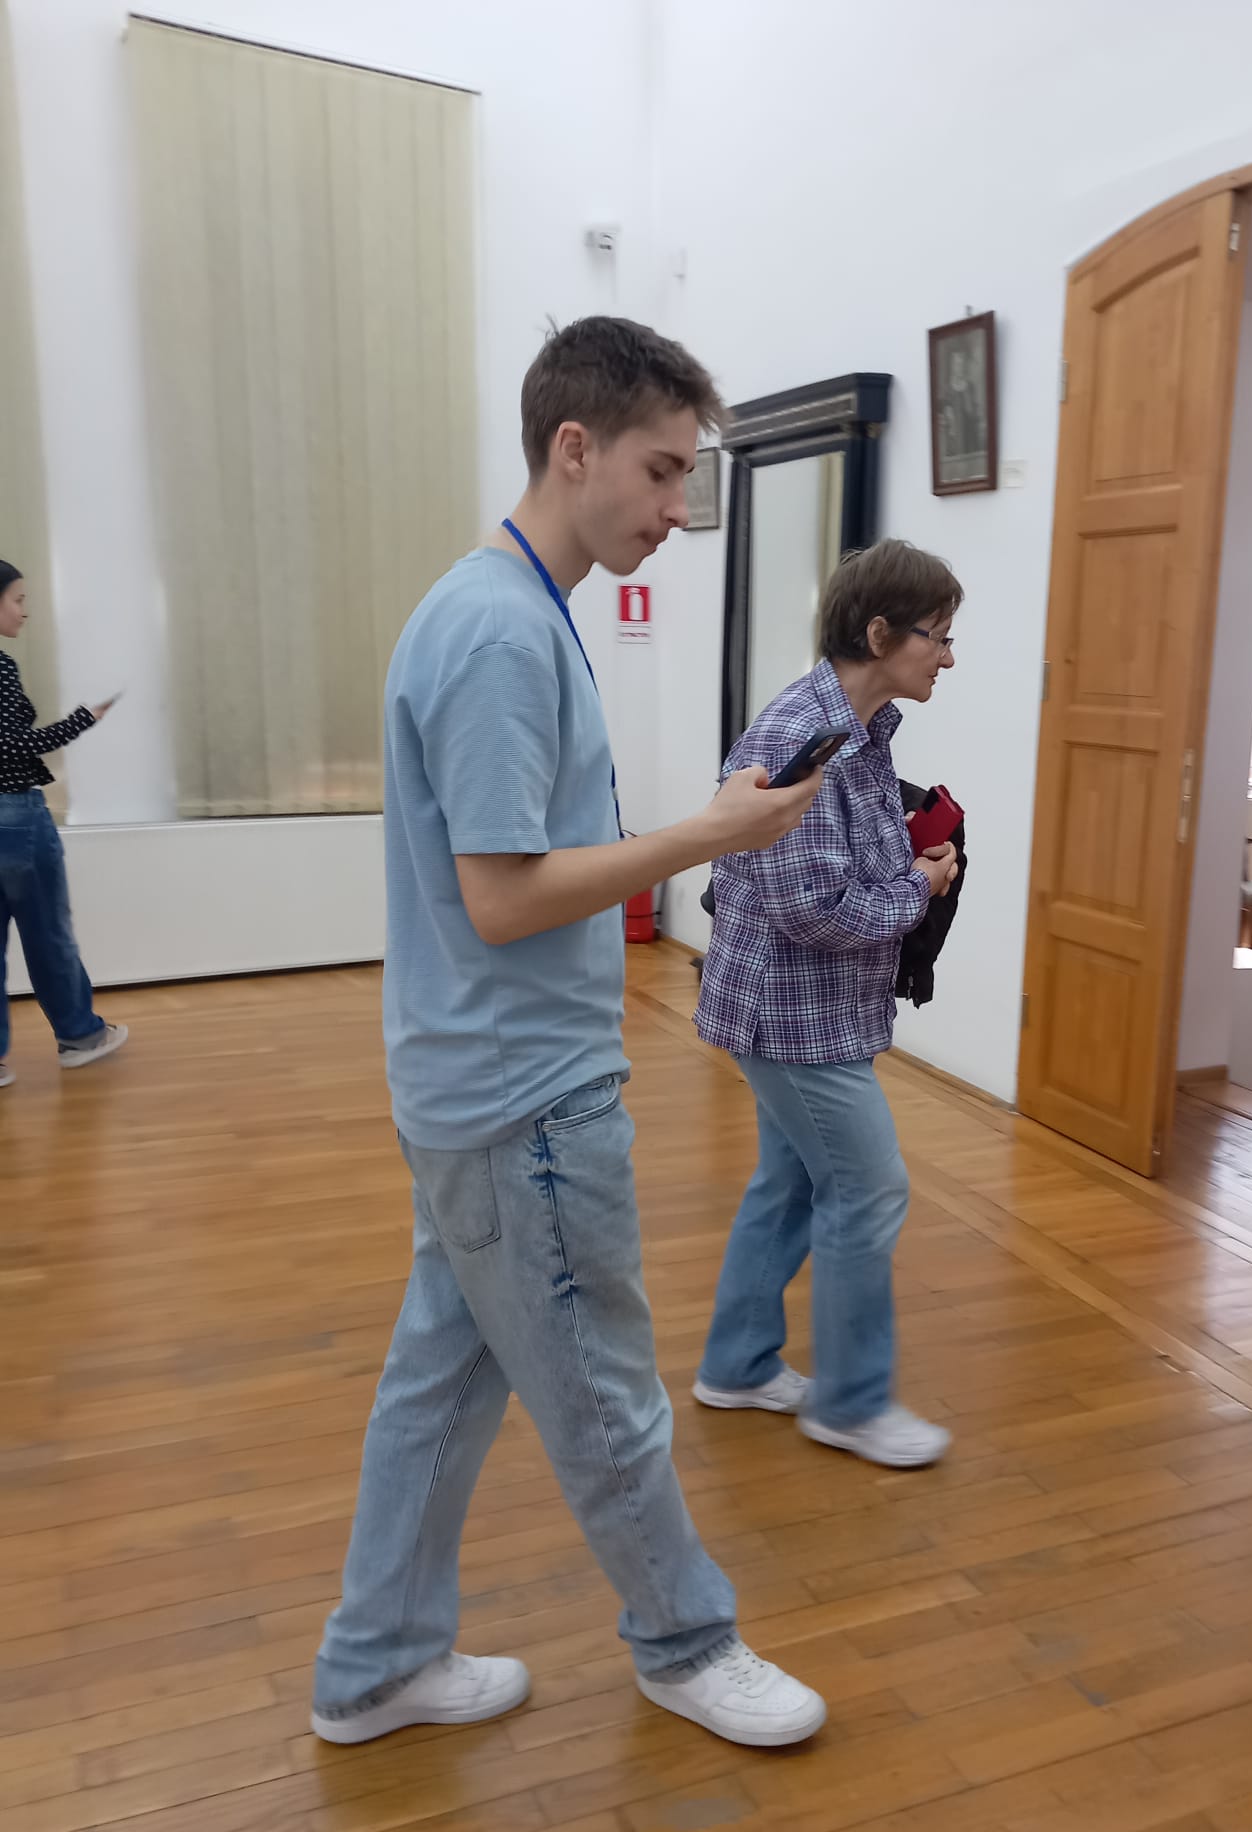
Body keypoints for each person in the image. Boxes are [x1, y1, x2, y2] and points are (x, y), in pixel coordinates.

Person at [311, 318, 830, 1751]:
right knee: (603, 1391)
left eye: (688, 478)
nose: (677, 508)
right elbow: (502, 899)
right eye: (662, 472)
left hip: (480, 1084)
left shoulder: (508, 608)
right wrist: (706, 835)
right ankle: (686, 1641)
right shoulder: (497, 631)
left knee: (441, 1383)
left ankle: (376, 1666)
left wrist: (701, 829)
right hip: (520, 1098)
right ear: (574, 447)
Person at [693, 539, 963, 1470]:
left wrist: (911, 855)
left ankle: (736, 1366)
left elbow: (833, 869)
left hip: (810, 1010)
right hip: (791, 1017)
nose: (949, 656)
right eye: (937, 636)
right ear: (880, 634)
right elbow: (813, 908)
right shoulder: (796, 739)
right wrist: (921, 887)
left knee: (795, 1182)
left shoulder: (859, 729)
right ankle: (850, 1406)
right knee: (868, 1187)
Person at [0, 561, 127, 1090]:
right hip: (14, 820)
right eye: (17, 599)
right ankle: (81, 1037)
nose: (24, 611)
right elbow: (11, 745)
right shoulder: (1, 667)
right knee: (48, 933)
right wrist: (82, 720)